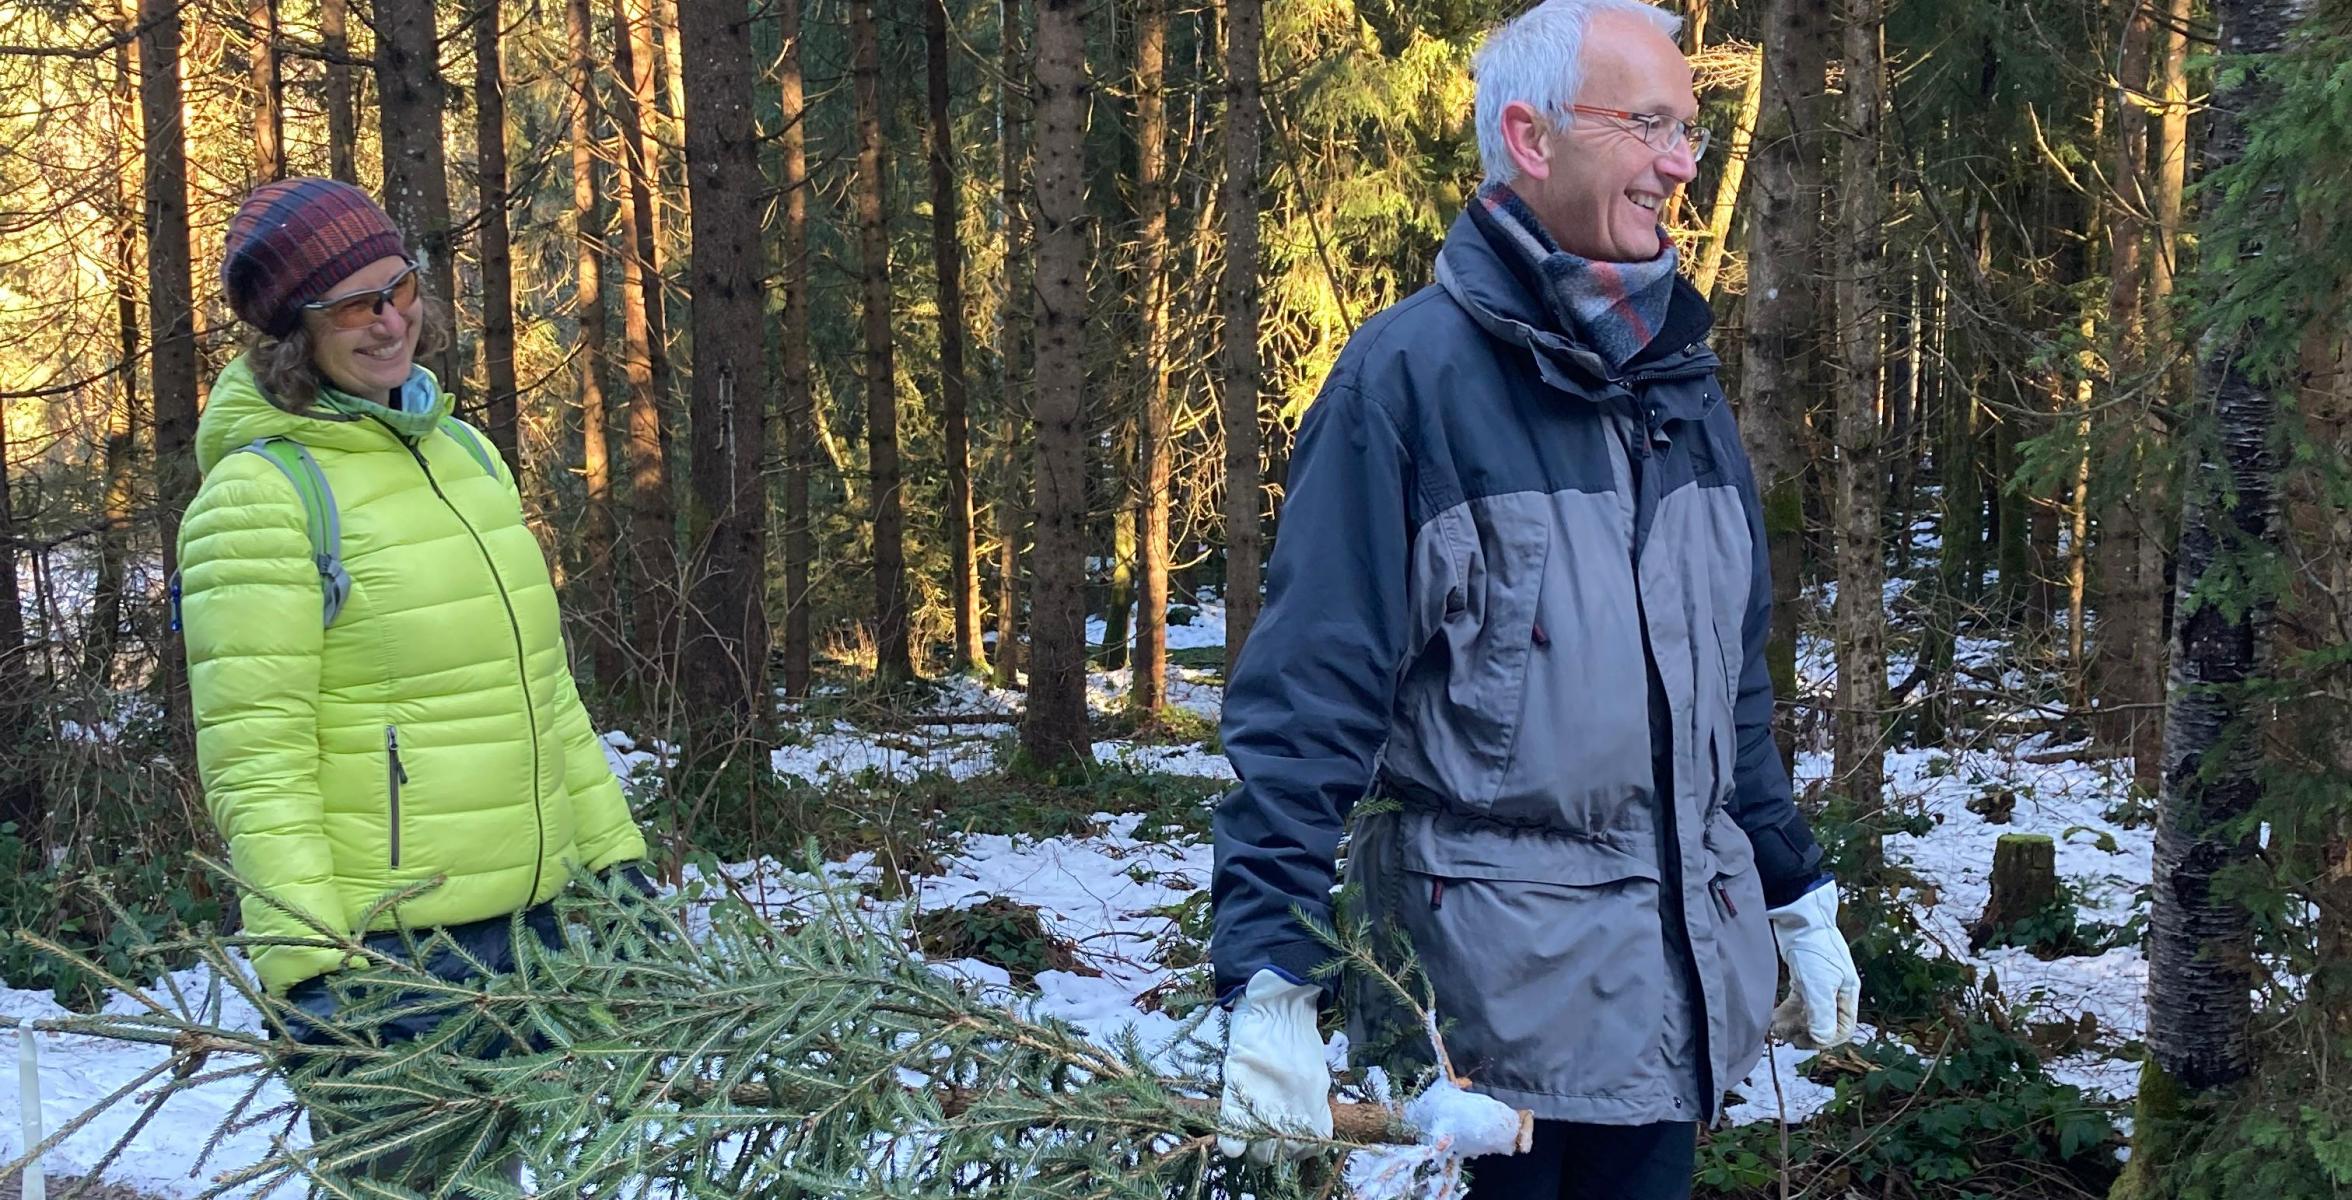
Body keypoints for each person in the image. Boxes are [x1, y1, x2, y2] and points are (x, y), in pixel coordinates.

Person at [1208, 3, 1862, 1195]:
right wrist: (1268, 974)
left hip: (1667, 1014)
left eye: (1691, 133)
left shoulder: (1684, 388)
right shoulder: (1409, 383)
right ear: (1529, 133)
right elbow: (1310, 697)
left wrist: (1793, 885)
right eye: (1650, 124)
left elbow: (1729, 691)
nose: (1679, 162)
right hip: (1489, 1032)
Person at [177, 177, 650, 1187]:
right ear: (289, 333)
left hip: (535, 930)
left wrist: (615, 869)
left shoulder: (466, 454)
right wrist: (309, 972)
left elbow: (543, 697)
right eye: (353, 305)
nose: (389, 320)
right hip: (395, 964)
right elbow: (255, 762)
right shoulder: (262, 495)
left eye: (399, 288)